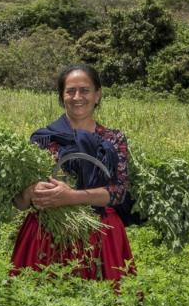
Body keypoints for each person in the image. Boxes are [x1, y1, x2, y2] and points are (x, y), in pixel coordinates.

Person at [11, 64, 135, 282]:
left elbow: (119, 192)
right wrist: (31, 190)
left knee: (105, 304)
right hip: (47, 234)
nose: (77, 97)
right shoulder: (42, 139)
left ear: (97, 95)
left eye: (85, 90)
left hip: (101, 234)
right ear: (62, 96)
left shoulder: (113, 140)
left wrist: (71, 197)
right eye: (70, 91)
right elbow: (20, 202)